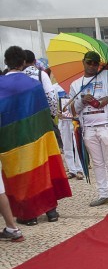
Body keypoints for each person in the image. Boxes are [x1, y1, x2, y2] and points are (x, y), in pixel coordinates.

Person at [1, 46, 71, 225]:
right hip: (38, 134)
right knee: (41, 170)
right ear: (24, 62)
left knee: (20, 174)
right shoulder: (34, 84)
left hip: (12, 139)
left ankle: (29, 215)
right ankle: (51, 211)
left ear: (6, 62)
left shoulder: (1, 85)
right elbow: (47, 106)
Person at [70, 51, 108, 208]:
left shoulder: (107, 76)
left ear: (99, 65)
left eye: (95, 63)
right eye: (89, 62)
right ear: (83, 62)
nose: (92, 66)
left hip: (107, 126)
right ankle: (104, 193)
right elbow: (73, 109)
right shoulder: (76, 85)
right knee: (97, 163)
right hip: (88, 128)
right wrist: (82, 101)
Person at [55, 85, 84, 180]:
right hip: (63, 120)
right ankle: (72, 170)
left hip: (75, 119)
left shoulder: (78, 85)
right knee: (67, 145)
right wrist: (57, 112)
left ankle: (80, 169)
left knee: (77, 145)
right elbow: (53, 103)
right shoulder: (55, 87)